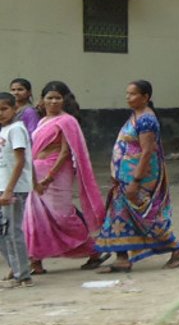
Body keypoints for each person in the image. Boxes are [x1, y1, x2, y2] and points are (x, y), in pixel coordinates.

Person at [95, 80, 179, 271]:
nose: (128, 97)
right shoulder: (135, 116)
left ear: (145, 97)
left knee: (144, 216)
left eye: (132, 94)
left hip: (139, 178)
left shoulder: (146, 120)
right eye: (127, 93)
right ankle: (122, 258)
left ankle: (178, 248)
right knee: (118, 213)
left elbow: (147, 151)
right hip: (124, 178)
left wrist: (136, 181)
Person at [23, 81, 106, 273]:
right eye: (49, 98)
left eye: (57, 97)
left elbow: (64, 153)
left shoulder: (67, 121)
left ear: (64, 100)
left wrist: (49, 177)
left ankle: (93, 250)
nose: (53, 101)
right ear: (42, 100)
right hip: (36, 174)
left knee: (62, 217)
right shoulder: (42, 121)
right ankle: (36, 261)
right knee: (34, 216)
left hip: (57, 174)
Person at [0, 92, 35, 286]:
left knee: (13, 231)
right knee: (3, 232)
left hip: (13, 188)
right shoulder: (3, 131)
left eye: (4, 109)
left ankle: (23, 274)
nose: (1, 113)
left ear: (15, 109)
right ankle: (16, 267)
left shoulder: (16, 129)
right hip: (3, 186)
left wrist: (9, 190)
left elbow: (21, 161)